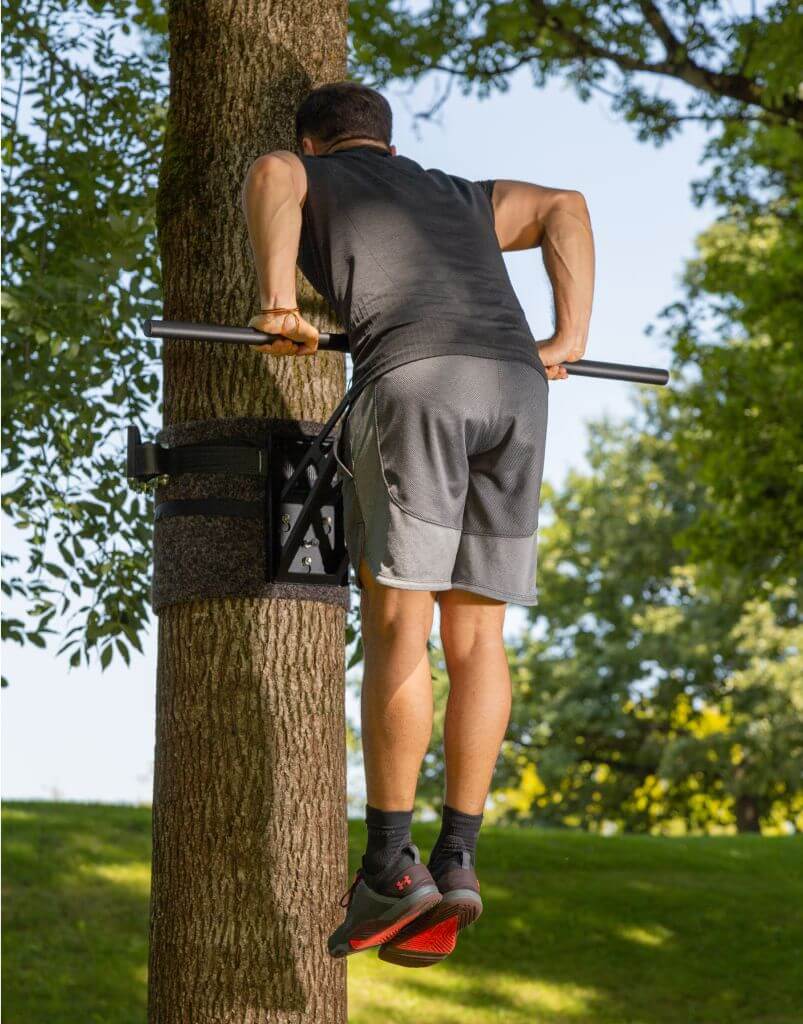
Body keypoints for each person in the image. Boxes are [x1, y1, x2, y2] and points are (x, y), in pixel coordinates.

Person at [242, 81, 594, 968]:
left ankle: (391, 866)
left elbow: (274, 177)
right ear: (389, 143)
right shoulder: (463, 195)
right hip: (516, 391)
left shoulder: (307, 171)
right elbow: (566, 206)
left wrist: (279, 303)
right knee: (478, 638)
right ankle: (458, 857)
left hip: (417, 380)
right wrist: (567, 340)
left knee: (403, 623)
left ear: (320, 144)